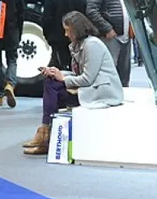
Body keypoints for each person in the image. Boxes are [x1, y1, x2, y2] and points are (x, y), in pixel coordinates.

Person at [23, 10, 124, 155]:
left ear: (77, 29)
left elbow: (87, 78)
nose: (66, 34)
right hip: (89, 88)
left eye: (67, 30)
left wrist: (62, 78)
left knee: (53, 86)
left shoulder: (92, 45)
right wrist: (56, 72)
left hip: (100, 92)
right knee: (50, 81)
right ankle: (46, 132)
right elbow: (78, 74)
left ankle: (45, 134)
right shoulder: (77, 45)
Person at [87, 0, 131, 87]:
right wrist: (107, 28)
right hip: (111, 37)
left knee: (124, 72)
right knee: (110, 71)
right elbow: (91, 10)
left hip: (125, 37)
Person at [42, 0, 87, 69]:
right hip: (77, 38)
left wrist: (48, 37)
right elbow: (86, 17)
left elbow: (47, 19)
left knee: (60, 67)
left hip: (57, 40)